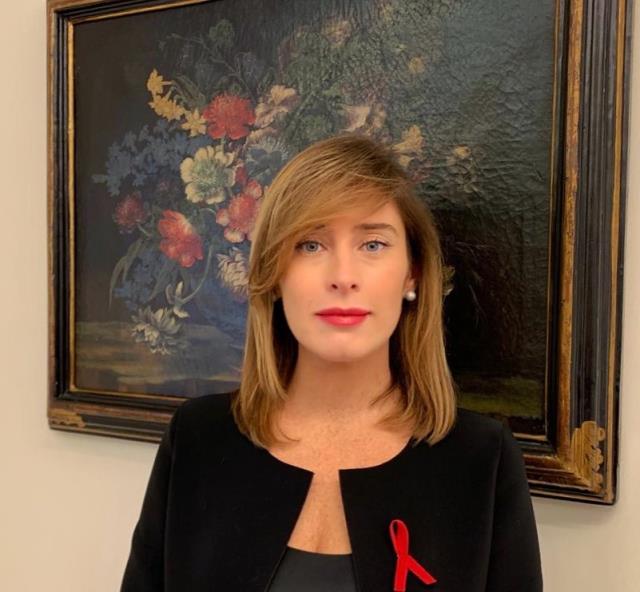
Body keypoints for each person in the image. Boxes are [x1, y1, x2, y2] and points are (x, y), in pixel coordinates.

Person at [121, 134, 543, 591]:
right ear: (274, 274)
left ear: (412, 274)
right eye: (310, 245)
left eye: (373, 244)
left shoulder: (481, 460)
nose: (343, 277)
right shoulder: (197, 440)